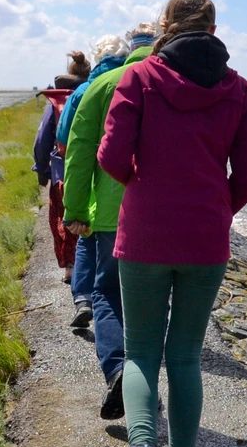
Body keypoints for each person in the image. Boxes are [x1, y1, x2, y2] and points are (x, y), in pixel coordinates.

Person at [98, 0, 247, 447]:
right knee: (186, 355)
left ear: (165, 26)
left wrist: (144, 186)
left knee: (141, 351)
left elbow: (111, 155)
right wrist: (218, 207)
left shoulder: (140, 78)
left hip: (145, 234)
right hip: (204, 240)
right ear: (213, 31)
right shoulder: (238, 88)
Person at [61, 23, 157, 419]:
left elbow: (79, 150)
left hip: (110, 213)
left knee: (109, 296)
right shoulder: (167, 79)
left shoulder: (100, 86)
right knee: (150, 305)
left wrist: (76, 210)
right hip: (161, 213)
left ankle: (118, 369)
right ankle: (145, 384)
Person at [58, 35, 131, 329]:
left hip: (91, 181)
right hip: (127, 187)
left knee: (87, 239)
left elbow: (66, 142)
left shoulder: (87, 90)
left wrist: (71, 207)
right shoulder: (135, 82)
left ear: (98, 58)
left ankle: (83, 299)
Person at [32, 56, 89, 283]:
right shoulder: (91, 93)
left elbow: (42, 139)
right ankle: (90, 266)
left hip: (61, 171)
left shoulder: (55, 100)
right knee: (86, 218)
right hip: (89, 168)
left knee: (61, 219)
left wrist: (41, 168)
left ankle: (70, 268)